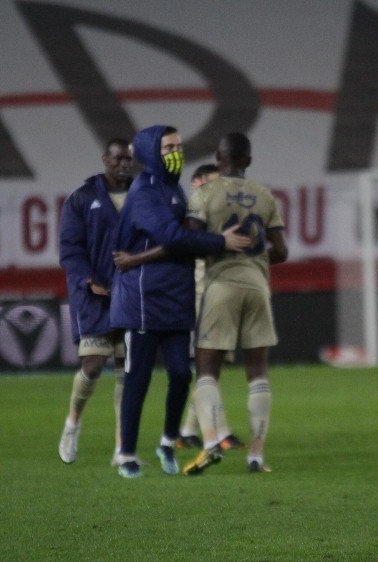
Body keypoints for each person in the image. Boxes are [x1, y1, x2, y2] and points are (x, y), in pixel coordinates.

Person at [109, 125, 250, 479]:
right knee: (137, 378)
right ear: (151, 151)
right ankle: (126, 453)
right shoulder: (145, 191)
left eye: (178, 146)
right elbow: (172, 236)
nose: (176, 152)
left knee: (179, 373)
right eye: (168, 146)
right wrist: (219, 242)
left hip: (175, 296)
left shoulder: (173, 189)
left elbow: (182, 239)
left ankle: (167, 442)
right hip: (143, 297)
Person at [180, 132, 289, 475]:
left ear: (218, 156)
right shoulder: (265, 195)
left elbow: (190, 241)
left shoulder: (205, 193)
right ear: (249, 161)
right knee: (257, 373)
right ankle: (255, 457)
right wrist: (254, 253)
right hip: (258, 286)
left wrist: (219, 244)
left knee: (207, 371)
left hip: (220, 286)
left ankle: (211, 442)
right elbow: (282, 252)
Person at [57, 138, 134, 465]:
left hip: (131, 295)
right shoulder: (82, 198)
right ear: (105, 159)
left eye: (128, 160)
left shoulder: (143, 195)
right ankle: (73, 422)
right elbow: (70, 249)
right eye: (117, 159)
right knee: (92, 365)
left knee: (126, 370)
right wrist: (89, 281)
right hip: (94, 296)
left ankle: (121, 447)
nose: (122, 165)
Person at [175, 164, 221, 450]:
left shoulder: (215, 210)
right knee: (205, 362)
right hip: (195, 290)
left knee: (214, 362)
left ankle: (193, 429)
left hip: (217, 289)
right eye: (211, 184)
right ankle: (204, 431)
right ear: (196, 182)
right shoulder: (185, 212)